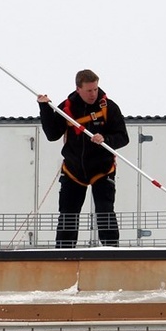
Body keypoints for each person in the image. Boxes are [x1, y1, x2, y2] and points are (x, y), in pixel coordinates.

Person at [37, 69, 129, 248]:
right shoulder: (66, 108)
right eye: (89, 90)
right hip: (73, 170)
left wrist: (106, 139)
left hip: (102, 169)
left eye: (95, 89)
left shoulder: (109, 107)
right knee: (68, 214)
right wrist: (45, 108)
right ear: (78, 88)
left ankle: (111, 250)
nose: (93, 94)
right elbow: (52, 134)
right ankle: (64, 253)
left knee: (105, 212)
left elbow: (123, 137)